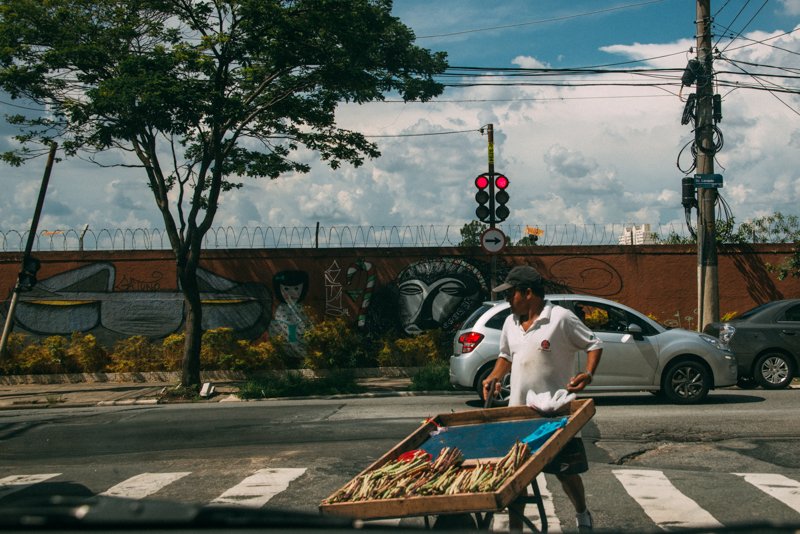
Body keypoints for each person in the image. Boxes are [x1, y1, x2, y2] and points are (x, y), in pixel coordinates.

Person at [481, 265, 602, 532]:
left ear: (528, 293)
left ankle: (582, 514)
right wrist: (494, 377)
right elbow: (506, 357)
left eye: (510, 293)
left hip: (555, 413)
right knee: (517, 479)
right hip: (518, 415)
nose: (507, 300)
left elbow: (593, 344)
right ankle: (516, 529)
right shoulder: (510, 322)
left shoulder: (560, 318)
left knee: (565, 472)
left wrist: (588, 374)